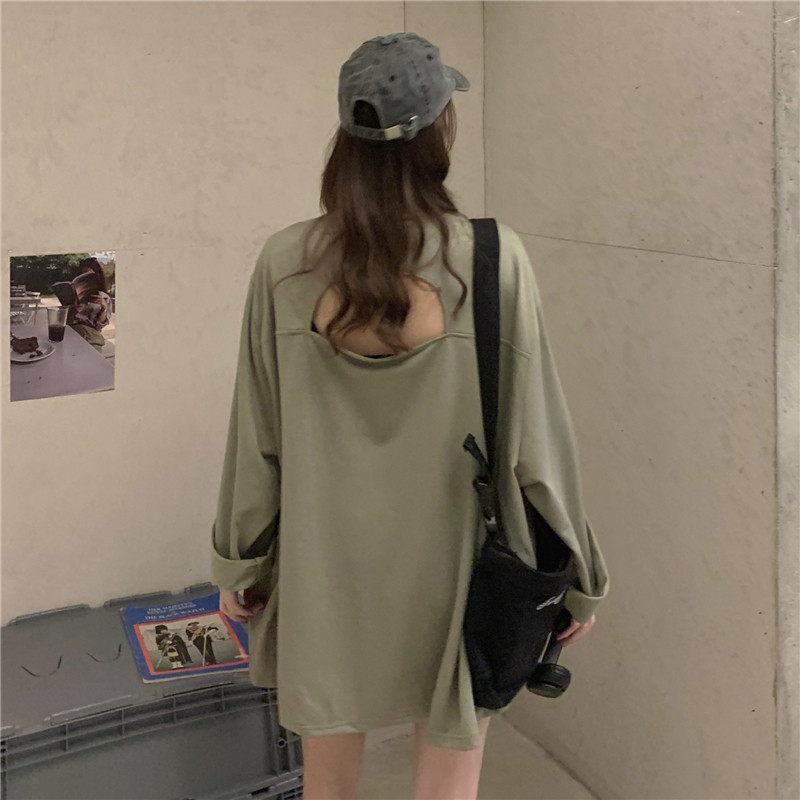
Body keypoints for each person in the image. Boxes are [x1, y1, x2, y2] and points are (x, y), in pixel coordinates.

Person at [210, 32, 610, 800]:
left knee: (327, 785)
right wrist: (580, 576)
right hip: (459, 569)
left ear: (344, 137)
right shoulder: (492, 259)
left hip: (323, 572)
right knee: (447, 783)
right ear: (438, 130)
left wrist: (241, 563)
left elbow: (255, 437)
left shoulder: (285, 265)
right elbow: (539, 442)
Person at [70, 257, 112, 352]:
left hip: (91, 336)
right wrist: (77, 309)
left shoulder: (104, 298)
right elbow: (66, 320)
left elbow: (99, 325)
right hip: (72, 333)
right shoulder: (72, 296)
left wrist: (103, 308)